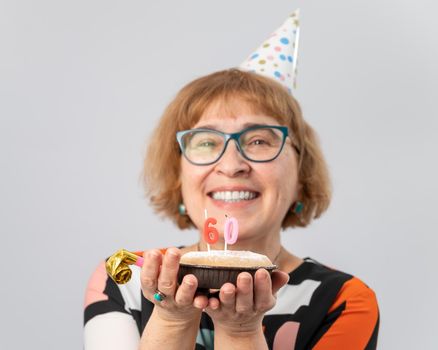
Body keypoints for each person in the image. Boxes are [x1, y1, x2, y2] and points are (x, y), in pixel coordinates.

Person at [84, 13, 379, 350]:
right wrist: (172, 319)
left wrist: (241, 332)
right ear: (177, 178)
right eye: (206, 142)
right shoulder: (125, 276)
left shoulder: (342, 300)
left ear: (302, 177)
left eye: (259, 141)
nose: (231, 164)